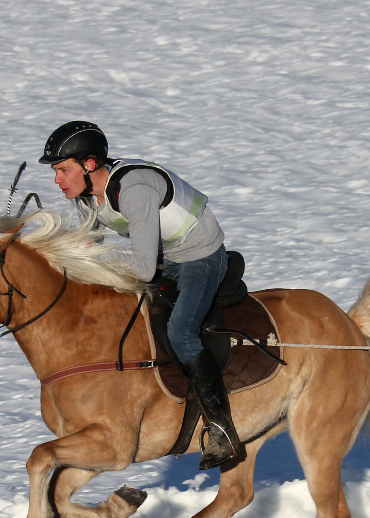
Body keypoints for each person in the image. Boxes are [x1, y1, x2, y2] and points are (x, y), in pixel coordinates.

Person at [39, 120, 241, 468]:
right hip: (167, 260)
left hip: (200, 258)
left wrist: (90, 257)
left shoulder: (135, 189)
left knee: (181, 332)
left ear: (89, 165)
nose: (57, 179)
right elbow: (91, 246)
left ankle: (222, 429)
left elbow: (144, 268)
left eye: (62, 170)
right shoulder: (89, 198)